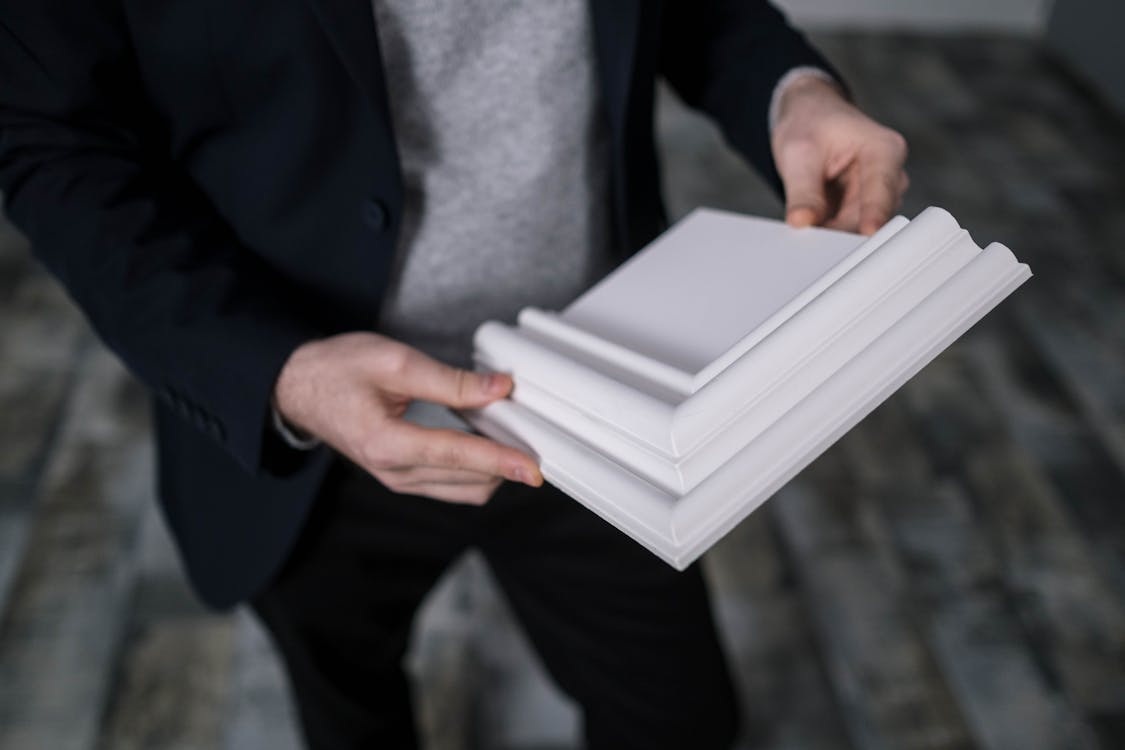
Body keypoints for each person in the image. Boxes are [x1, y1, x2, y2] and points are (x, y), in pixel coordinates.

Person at [0, 1, 908, 748]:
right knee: (347, 711)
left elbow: (699, 17)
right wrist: (273, 372)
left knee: (678, 718)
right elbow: (53, 140)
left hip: (603, 384)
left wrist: (793, 92)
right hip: (317, 421)